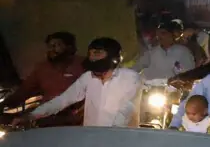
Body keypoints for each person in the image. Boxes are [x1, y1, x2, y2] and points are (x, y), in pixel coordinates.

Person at [12, 37, 142, 127]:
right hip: (90, 138)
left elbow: (126, 109)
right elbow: (63, 99)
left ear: (114, 58)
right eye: (90, 54)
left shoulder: (130, 78)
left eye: (97, 54)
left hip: (120, 140)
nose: (92, 57)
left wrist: (109, 134)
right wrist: (31, 116)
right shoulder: (88, 77)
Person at [0, 31, 85, 111]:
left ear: (69, 47)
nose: (51, 49)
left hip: (77, 119)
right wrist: (4, 105)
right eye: (50, 46)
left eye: (57, 45)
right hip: (48, 117)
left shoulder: (84, 65)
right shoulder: (42, 68)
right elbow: (24, 91)